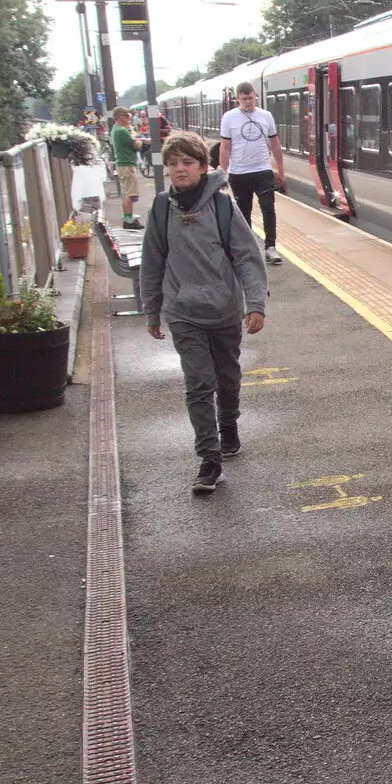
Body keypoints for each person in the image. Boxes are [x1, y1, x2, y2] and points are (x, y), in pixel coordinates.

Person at [140, 131, 269, 494]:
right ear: (166, 169)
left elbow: (246, 255)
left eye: (187, 162)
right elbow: (152, 262)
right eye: (173, 163)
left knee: (227, 377)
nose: (179, 169)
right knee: (199, 384)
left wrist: (255, 304)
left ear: (202, 167)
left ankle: (229, 425)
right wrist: (152, 311)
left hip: (225, 309)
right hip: (183, 311)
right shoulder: (162, 207)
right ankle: (209, 460)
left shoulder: (223, 206)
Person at [219, 81, 286, 266]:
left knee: (268, 209)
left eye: (251, 98)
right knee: (243, 212)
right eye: (244, 99)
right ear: (237, 99)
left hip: (262, 170)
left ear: (255, 96)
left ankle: (270, 247)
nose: (248, 102)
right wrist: (222, 172)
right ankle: (249, 248)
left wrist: (280, 169)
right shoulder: (229, 118)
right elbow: (225, 146)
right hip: (238, 173)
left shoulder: (266, 116)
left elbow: (275, 144)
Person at [110, 106, 146, 228]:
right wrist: (139, 141)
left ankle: (127, 216)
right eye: (126, 116)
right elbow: (136, 145)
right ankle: (129, 221)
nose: (129, 119)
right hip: (127, 165)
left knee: (126, 193)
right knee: (131, 193)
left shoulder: (116, 129)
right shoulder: (122, 131)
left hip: (122, 164)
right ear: (120, 117)